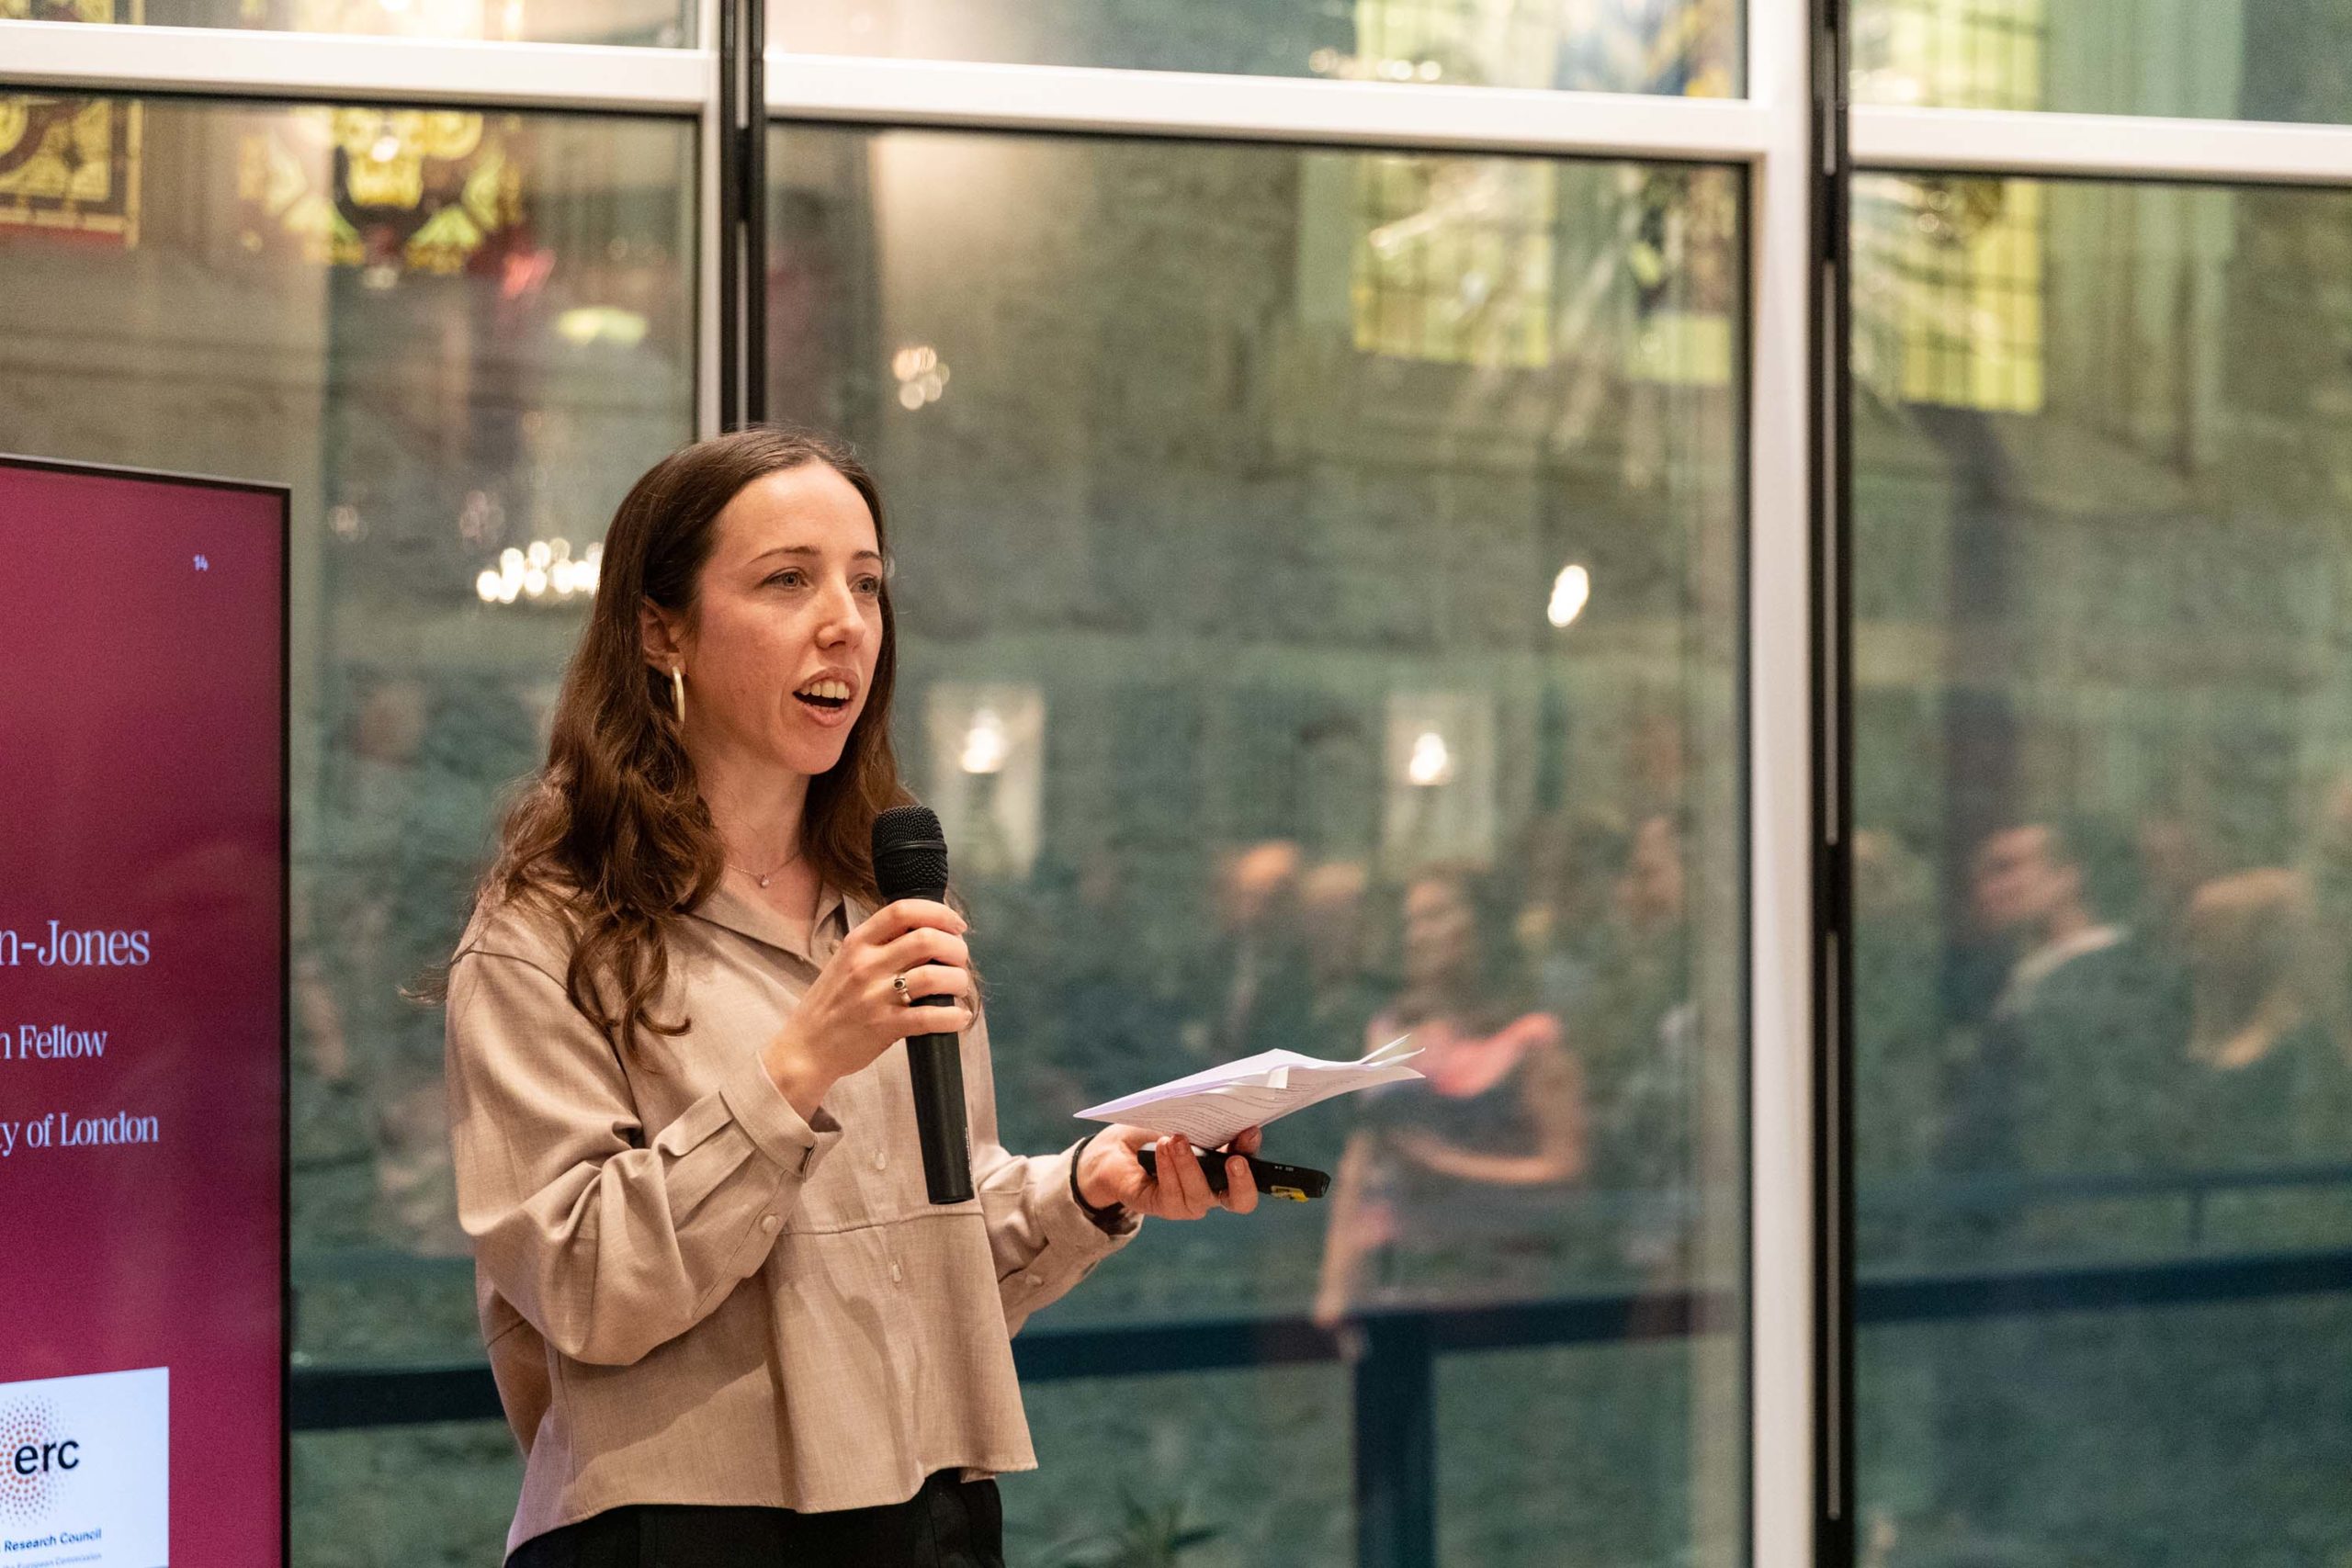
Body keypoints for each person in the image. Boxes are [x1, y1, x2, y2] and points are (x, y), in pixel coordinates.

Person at [434, 427, 1264, 1568]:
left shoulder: (886, 906)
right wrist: (793, 1070)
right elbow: (581, 1285)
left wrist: (1087, 1186)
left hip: (924, 1512)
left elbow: (925, 1245)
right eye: (787, 580)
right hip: (677, 1529)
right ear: (658, 626)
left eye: (866, 584)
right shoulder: (547, 931)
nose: (845, 622)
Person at [1315, 864, 1582, 1323]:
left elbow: (1566, 1168)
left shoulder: (1530, 1038)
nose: (1419, 935)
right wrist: (1334, 1288)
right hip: (1394, 1280)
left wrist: (1451, 1167)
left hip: (1494, 1284)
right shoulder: (1390, 1032)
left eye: (1436, 916)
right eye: (1411, 922)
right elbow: (1361, 1165)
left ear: (1484, 926)